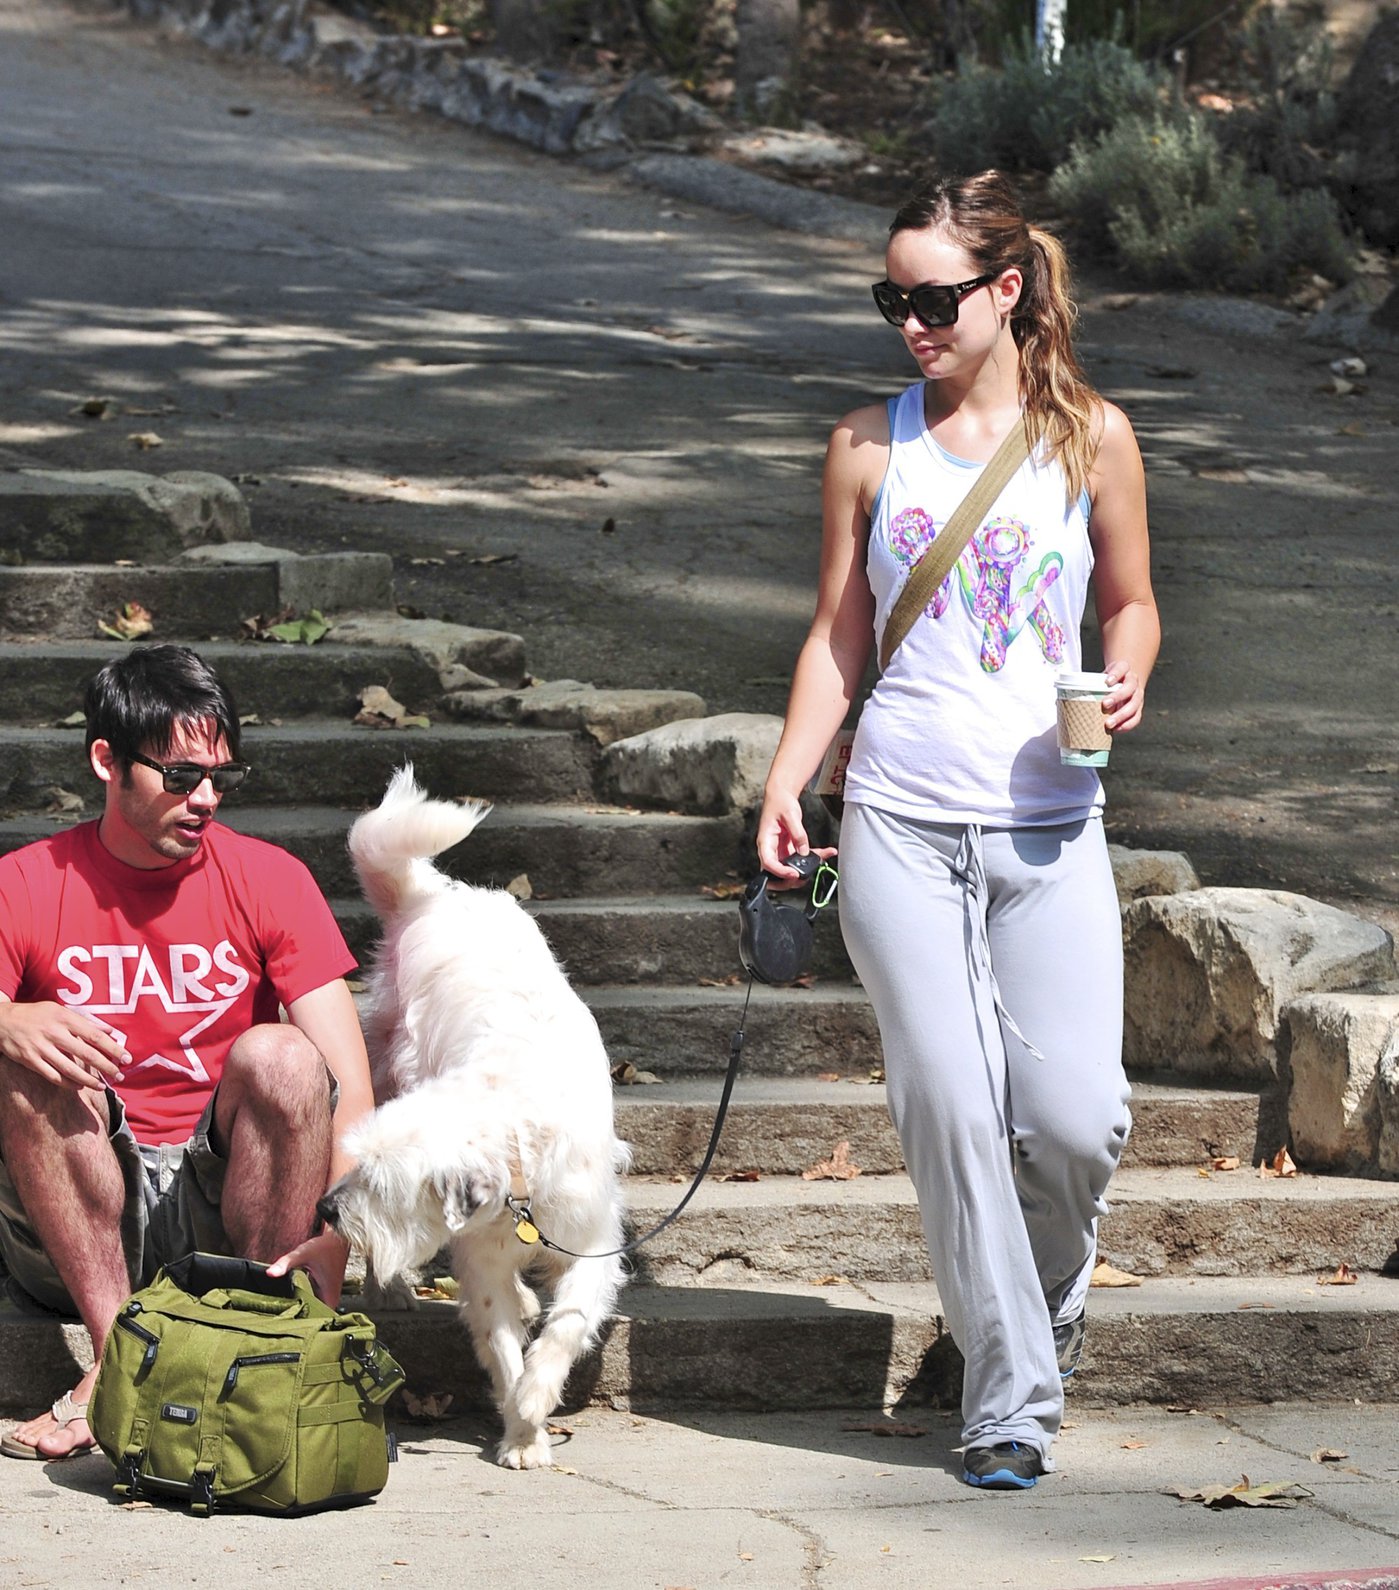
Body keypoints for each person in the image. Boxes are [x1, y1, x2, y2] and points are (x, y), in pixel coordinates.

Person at [756, 171, 1160, 1490]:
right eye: (890, 299)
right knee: (945, 1104)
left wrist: (1125, 669)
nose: (908, 323)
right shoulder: (867, 447)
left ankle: (1039, 1296)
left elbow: (1132, 601)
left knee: (1074, 1117)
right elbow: (837, 632)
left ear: (1003, 289)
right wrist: (784, 775)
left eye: (931, 299)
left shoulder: (1089, 437)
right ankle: (1006, 1398)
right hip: (897, 823)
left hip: (1049, 823)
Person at [0, 644, 373, 1461]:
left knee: (283, 1054)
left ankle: (251, 1339)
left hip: (229, 1198)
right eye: (179, 777)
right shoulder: (26, 881)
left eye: (221, 778)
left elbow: (352, 1088)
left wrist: (340, 1231)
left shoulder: (268, 878)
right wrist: (6, 1020)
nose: (205, 799)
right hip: (73, 1217)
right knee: (32, 1052)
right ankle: (115, 1359)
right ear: (106, 760)